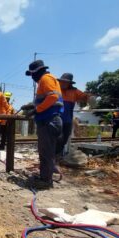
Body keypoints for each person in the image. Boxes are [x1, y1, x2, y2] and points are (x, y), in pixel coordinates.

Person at [22, 60, 64, 189]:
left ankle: (45, 181)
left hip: (49, 121)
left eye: (32, 75)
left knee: (45, 153)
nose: (32, 78)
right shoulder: (48, 79)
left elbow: (52, 98)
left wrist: (36, 110)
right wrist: (32, 105)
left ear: (38, 72)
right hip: (51, 120)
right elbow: (46, 99)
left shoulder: (45, 79)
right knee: (47, 152)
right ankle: (46, 176)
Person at [57, 73, 89, 154]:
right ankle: (54, 157)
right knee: (58, 138)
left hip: (68, 120)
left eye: (65, 82)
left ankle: (58, 156)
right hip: (56, 119)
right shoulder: (55, 89)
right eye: (62, 81)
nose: (63, 83)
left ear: (69, 83)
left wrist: (91, 97)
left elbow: (85, 97)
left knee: (64, 139)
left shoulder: (74, 92)